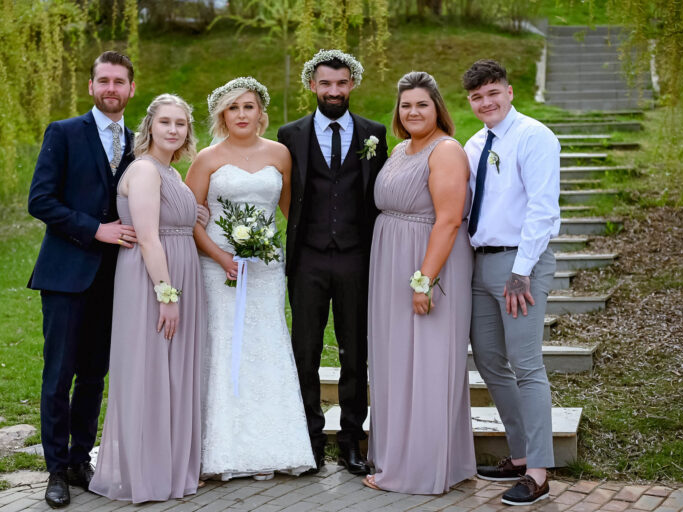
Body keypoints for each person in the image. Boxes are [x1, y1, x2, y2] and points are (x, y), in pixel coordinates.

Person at [185, 77, 315, 481]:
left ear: (261, 112)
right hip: (217, 267)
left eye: (248, 106)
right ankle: (222, 450)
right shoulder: (207, 158)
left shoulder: (280, 154)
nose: (241, 114)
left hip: (265, 269)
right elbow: (189, 219)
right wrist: (221, 256)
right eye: (233, 107)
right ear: (222, 114)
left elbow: (292, 214)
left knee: (266, 344)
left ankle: (271, 447)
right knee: (224, 346)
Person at [27, 51, 136, 508]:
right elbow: (40, 200)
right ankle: (55, 471)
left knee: (93, 376)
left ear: (131, 89)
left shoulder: (139, 142)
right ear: (91, 86)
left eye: (119, 81)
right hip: (66, 275)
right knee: (59, 376)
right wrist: (95, 229)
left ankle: (78, 460)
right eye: (103, 80)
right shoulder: (64, 132)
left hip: (116, 280)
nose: (111, 88)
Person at [363, 71, 476, 494]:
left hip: (427, 265)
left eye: (422, 104)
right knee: (398, 362)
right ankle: (400, 457)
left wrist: (424, 281)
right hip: (391, 263)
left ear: (437, 108)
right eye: (406, 105)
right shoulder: (401, 150)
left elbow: (448, 220)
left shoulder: (445, 151)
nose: (413, 111)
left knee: (426, 362)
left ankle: (419, 471)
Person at [88, 94, 204, 502]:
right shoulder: (143, 170)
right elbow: (149, 237)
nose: (173, 129)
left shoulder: (170, 172)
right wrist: (166, 295)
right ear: (150, 126)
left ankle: (167, 468)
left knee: (171, 373)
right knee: (150, 371)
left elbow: (176, 219)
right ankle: (146, 475)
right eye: (165, 122)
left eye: (181, 124)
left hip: (176, 275)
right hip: (152, 281)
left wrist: (196, 214)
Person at [277, 49, 388, 475]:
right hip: (307, 259)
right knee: (304, 351)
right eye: (326, 83)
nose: (334, 91)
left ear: (352, 84)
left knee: (354, 352)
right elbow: (284, 191)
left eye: (341, 83)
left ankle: (351, 442)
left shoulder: (374, 133)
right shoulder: (290, 134)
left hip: (356, 259)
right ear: (312, 85)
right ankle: (309, 439)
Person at [462, 59, 560, 506]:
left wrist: (522, 271)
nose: (486, 102)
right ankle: (520, 454)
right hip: (480, 264)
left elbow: (542, 208)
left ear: (509, 91)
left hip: (521, 265)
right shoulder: (474, 144)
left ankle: (538, 473)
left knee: (526, 365)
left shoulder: (534, 136)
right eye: (477, 97)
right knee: (488, 361)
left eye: (492, 93)